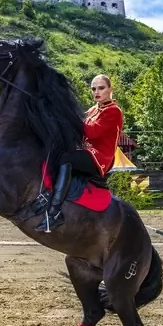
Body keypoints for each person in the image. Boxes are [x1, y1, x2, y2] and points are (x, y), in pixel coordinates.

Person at [35, 74, 124, 232]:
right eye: (93, 89)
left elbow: (91, 133)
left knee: (66, 159)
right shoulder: (92, 110)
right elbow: (79, 134)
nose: (97, 92)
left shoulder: (113, 111)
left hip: (100, 158)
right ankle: (46, 197)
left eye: (101, 88)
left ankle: (54, 213)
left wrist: (68, 114)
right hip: (87, 152)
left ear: (111, 89)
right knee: (57, 154)